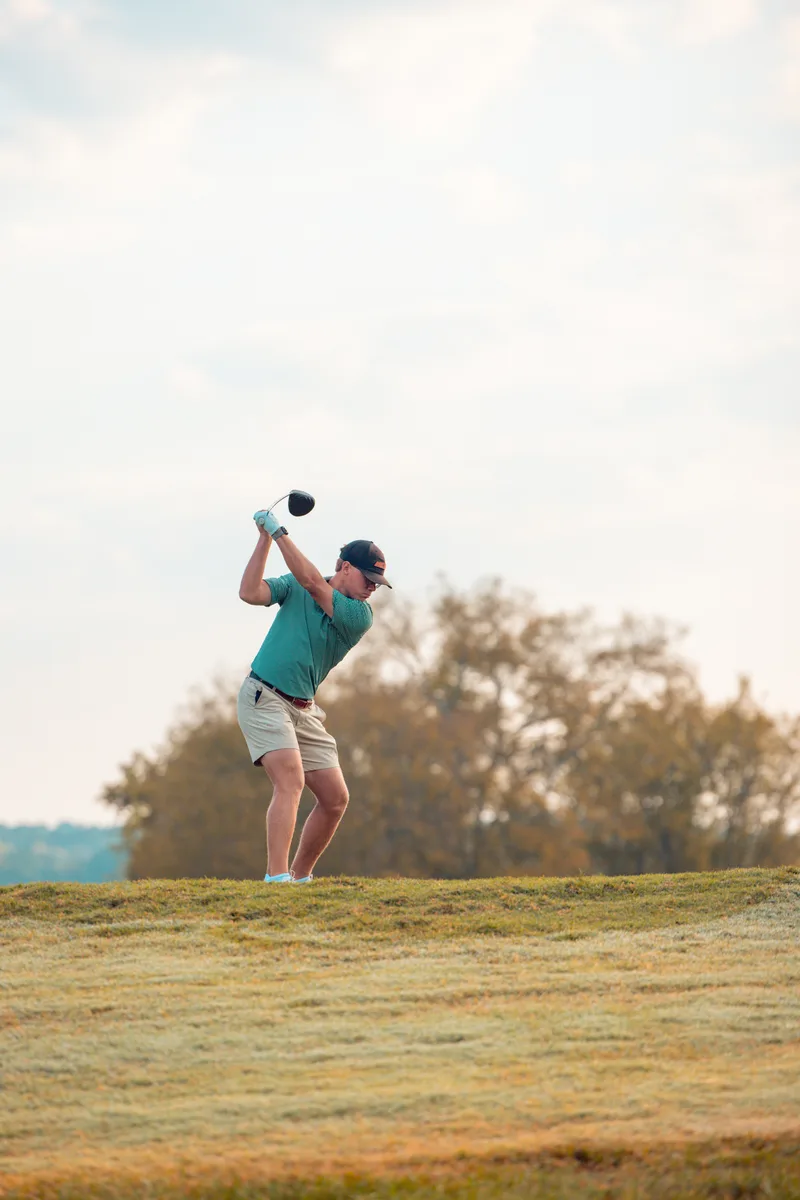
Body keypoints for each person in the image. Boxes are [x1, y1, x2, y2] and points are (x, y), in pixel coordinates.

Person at [237, 506, 391, 882]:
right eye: (368, 578)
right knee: (290, 781)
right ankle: (276, 880)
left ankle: (300, 876)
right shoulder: (297, 585)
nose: (372, 587)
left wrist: (278, 530)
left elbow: (311, 582)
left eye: (378, 582)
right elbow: (250, 593)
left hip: (303, 710)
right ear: (344, 567)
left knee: (335, 799)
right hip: (264, 697)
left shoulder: (359, 615)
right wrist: (263, 541)